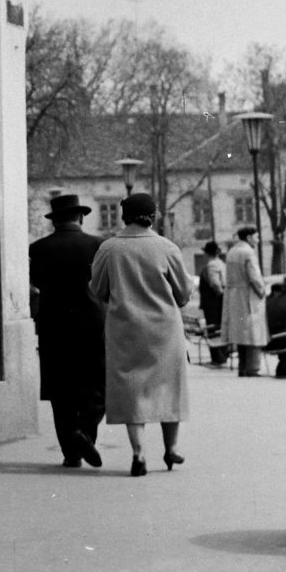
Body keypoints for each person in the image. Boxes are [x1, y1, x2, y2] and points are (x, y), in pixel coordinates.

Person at [88, 191, 193, 475]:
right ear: (154, 216)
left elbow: (97, 289)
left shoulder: (109, 248)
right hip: (164, 330)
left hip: (124, 329)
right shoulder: (167, 248)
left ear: (124, 216)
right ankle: (170, 450)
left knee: (132, 390)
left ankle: (139, 454)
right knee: (169, 387)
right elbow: (183, 293)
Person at [28, 192, 105, 468]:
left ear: (54, 220)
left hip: (53, 326)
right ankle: (84, 431)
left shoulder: (37, 249)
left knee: (61, 391)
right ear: (81, 216)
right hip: (91, 325)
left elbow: (36, 282)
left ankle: (71, 453)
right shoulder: (98, 245)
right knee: (96, 385)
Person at [223, 225, 268, 377]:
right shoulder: (248, 252)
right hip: (248, 296)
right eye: (256, 237)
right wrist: (262, 292)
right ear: (249, 237)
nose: (259, 240)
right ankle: (253, 368)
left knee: (240, 333)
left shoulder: (232, 251)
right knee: (253, 333)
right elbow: (255, 277)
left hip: (233, 296)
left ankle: (242, 367)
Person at [198, 241, 230, 365]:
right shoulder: (221, 264)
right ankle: (221, 355)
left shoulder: (212, 265)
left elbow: (215, 283)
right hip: (218, 302)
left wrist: (220, 294)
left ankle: (218, 357)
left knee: (213, 329)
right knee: (219, 328)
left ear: (207, 253)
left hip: (212, 303)